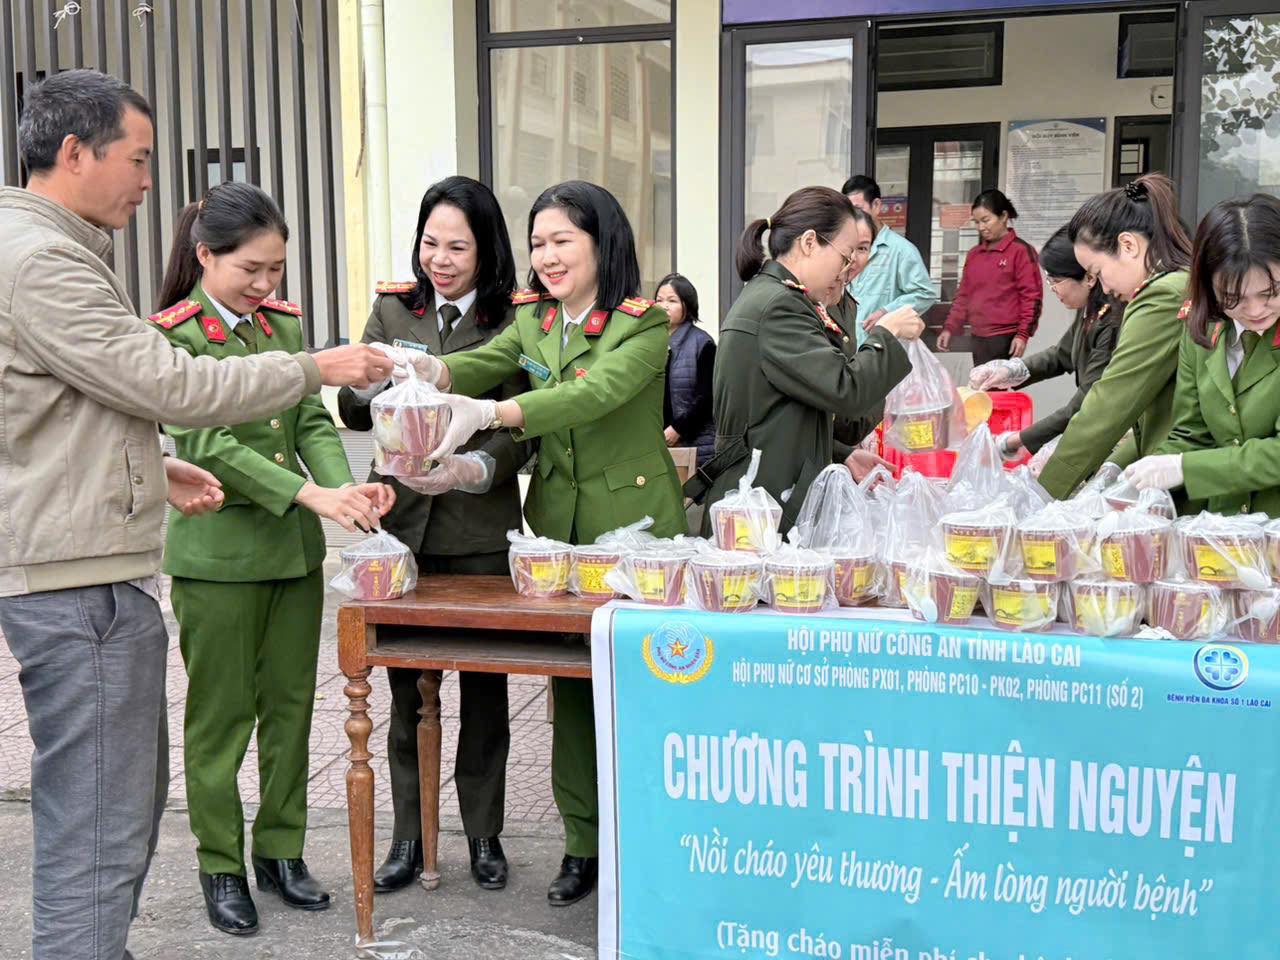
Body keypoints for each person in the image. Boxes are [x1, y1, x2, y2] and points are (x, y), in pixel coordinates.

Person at [0, 69, 391, 960]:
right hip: (103, 574)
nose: (150, 181)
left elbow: (68, 408)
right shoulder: (45, 261)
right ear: (74, 152)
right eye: (138, 158)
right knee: (107, 810)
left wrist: (155, 462)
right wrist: (319, 370)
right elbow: (170, 386)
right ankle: (199, 880)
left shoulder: (48, 250)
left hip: (135, 555)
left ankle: (269, 855)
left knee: (157, 780)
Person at [393, 180, 685, 907]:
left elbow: (592, 395)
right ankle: (582, 845)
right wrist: (428, 370)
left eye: (562, 241)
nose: (547, 256)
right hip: (559, 530)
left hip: (636, 531)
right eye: (537, 244)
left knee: (646, 689)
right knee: (573, 695)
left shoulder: (643, 324)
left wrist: (489, 414)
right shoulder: (535, 319)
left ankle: (651, 842)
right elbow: (483, 361)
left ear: (602, 243)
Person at [151, 183, 395, 934]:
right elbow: (208, 443)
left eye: (275, 269)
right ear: (205, 256)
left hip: (292, 556)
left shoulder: (282, 327)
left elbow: (309, 419)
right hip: (219, 558)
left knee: (291, 710)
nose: (264, 284)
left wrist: (345, 485)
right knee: (222, 718)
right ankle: (220, 864)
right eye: (249, 270)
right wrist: (309, 495)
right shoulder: (175, 337)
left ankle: (281, 851)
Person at [337, 176, 533, 895]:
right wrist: (368, 385)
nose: (440, 260)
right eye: (430, 243)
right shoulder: (394, 308)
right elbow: (351, 410)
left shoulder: (515, 319)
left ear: (487, 250)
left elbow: (524, 425)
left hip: (477, 530)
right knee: (400, 694)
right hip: (401, 531)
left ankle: (483, 834)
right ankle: (408, 837)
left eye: (457, 247)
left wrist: (474, 467)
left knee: (484, 692)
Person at [698, 186, 922, 530]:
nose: (846, 270)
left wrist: (842, 453)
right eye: (844, 256)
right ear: (809, 242)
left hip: (761, 496)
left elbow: (782, 416)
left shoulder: (777, 297)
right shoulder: (780, 306)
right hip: (759, 503)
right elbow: (845, 390)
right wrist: (886, 335)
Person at [1036, 174, 1193, 499]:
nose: (1103, 288)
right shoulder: (1179, 283)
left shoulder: (1162, 296)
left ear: (1128, 245)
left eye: (1097, 272)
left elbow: (1113, 400)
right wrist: (1112, 467)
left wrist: (1044, 491)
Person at [1123, 194, 1280, 516]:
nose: (1254, 310)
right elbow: (1191, 433)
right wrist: (1142, 480)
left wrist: (1185, 468)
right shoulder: (1203, 329)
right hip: (1221, 527)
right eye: (1233, 298)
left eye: (1270, 293)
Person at [968, 224, 1122, 459]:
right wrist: (1011, 371)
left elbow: (1088, 400)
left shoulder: (1111, 320)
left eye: (1056, 281)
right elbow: (1061, 355)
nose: (1052, 289)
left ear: (1089, 277)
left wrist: (1018, 440)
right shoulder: (1090, 310)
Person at [936, 189, 1043, 364]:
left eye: (986, 220)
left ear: (1003, 216)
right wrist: (950, 328)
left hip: (1005, 337)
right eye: (977, 222)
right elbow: (963, 295)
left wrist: (1022, 334)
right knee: (980, 380)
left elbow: (1031, 296)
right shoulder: (974, 254)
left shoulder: (1020, 251)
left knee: (996, 381)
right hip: (978, 336)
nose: (981, 227)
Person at [841, 175, 938, 346]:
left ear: (876, 206)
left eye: (857, 209)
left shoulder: (901, 250)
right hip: (848, 347)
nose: (853, 216)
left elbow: (925, 293)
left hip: (883, 346)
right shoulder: (842, 246)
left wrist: (887, 311)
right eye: (848, 211)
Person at [655, 272, 716, 466]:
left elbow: (707, 397)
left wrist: (678, 429)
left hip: (694, 443)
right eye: (659, 300)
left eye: (672, 301)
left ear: (687, 305)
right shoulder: (650, 342)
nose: (664, 306)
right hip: (656, 442)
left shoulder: (703, 343)